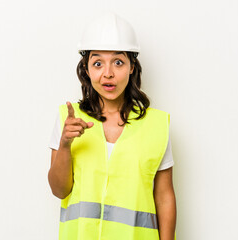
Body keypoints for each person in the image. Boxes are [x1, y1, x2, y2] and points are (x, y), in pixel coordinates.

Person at [48, 13, 176, 240]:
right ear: (87, 69)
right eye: (98, 63)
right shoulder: (69, 119)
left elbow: (164, 197)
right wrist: (65, 144)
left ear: (132, 67)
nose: (108, 73)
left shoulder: (156, 125)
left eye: (118, 62)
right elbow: (59, 190)